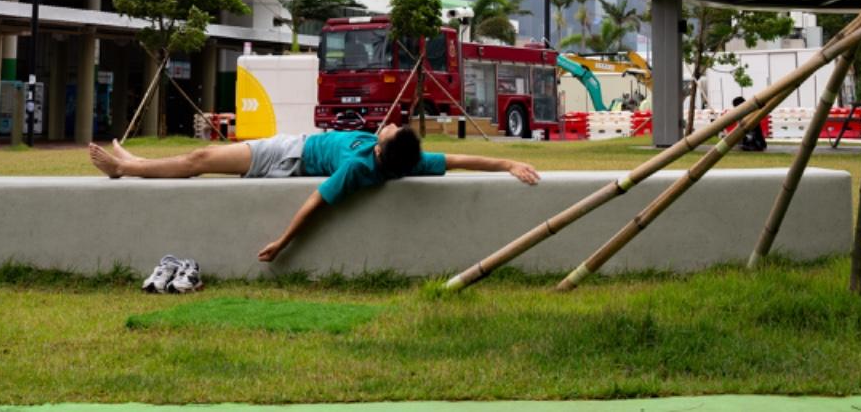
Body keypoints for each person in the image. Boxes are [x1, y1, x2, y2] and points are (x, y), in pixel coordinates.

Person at [88, 122, 541, 261]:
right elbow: (461, 160)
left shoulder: (358, 167)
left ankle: (127, 169)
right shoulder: (405, 158)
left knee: (201, 160)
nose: (389, 128)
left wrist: (284, 242)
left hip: (289, 156)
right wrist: (508, 162)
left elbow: (315, 204)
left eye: (388, 133)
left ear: (382, 152)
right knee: (202, 159)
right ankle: (134, 164)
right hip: (298, 146)